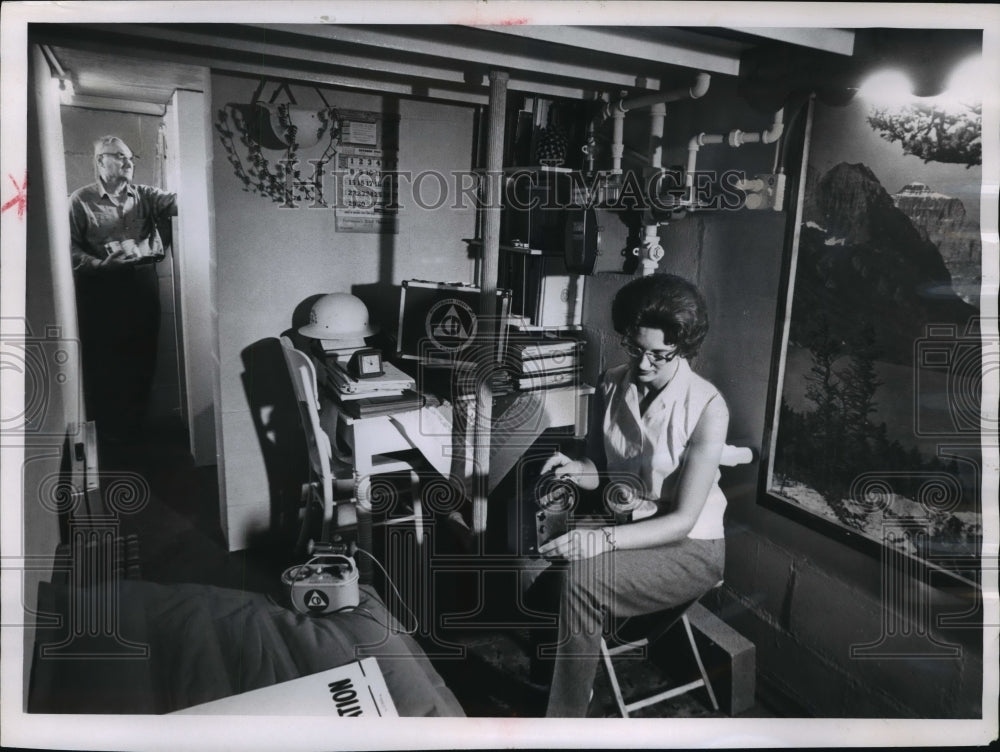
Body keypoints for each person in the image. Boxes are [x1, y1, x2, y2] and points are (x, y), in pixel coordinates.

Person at [525, 273, 730, 717]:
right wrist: (574, 468)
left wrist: (599, 541)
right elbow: (600, 471)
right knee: (537, 573)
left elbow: (683, 521)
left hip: (690, 547)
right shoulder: (612, 382)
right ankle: (558, 676)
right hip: (628, 526)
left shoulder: (708, 405)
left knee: (581, 580)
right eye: (635, 348)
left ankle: (563, 720)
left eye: (660, 354)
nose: (643, 364)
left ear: (685, 347)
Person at [69, 135, 177, 442]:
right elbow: (68, 249)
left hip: (141, 286)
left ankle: (135, 431)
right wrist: (100, 266)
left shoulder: (145, 195)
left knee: (143, 356)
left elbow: (180, 201)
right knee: (104, 361)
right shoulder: (80, 200)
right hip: (100, 290)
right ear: (101, 161)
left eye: (130, 157)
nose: (128, 161)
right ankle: (107, 435)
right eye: (119, 156)